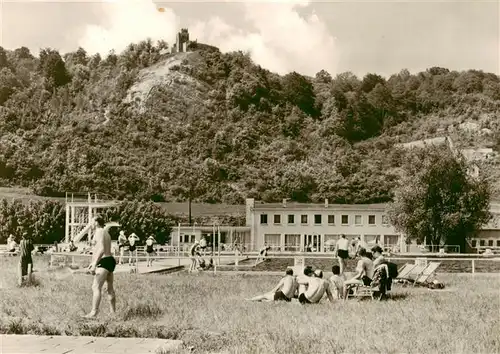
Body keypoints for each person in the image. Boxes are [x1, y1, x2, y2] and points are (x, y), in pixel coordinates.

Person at [83, 216, 116, 318]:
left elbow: (101, 248)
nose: (90, 224)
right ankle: (113, 313)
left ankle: (94, 312)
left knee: (96, 287)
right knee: (109, 288)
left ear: (96, 222)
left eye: (92, 222)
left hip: (104, 261)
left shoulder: (99, 231)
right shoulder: (106, 232)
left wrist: (95, 264)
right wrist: (93, 262)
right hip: (110, 260)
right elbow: (100, 247)